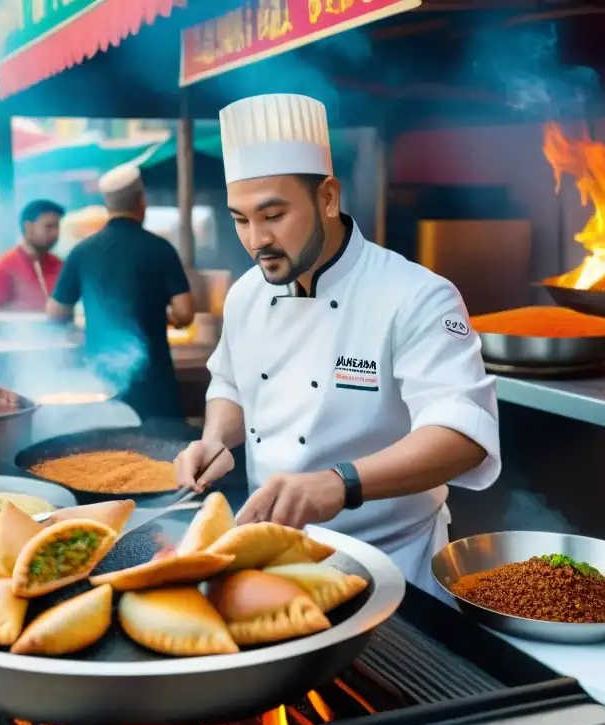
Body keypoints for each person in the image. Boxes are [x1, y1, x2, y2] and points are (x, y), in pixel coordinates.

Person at [172, 94, 500, 598]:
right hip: (273, 562)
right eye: (240, 219)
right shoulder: (246, 293)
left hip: (391, 567)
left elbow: (462, 433)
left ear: (328, 197)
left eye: (273, 215)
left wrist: (340, 481)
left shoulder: (415, 295)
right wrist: (216, 439)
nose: (256, 239)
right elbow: (231, 381)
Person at [47, 163, 195, 421]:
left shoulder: (82, 251)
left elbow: (55, 312)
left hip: (99, 379)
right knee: (161, 451)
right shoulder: (160, 249)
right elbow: (185, 313)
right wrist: (162, 316)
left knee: (104, 451)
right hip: (154, 381)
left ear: (108, 205)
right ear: (142, 201)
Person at [0, 200, 64, 312]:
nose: (55, 233)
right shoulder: (3, 268)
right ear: (28, 227)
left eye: (57, 227)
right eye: (49, 226)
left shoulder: (59, 265)